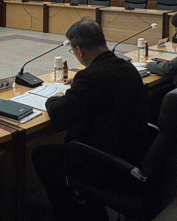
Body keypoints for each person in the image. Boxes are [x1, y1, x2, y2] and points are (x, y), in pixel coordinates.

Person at [32, 19, 149, 221]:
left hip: (108, 164)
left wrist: (54, 98)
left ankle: (69, 214)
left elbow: (60, 115)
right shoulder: (126, 66)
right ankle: (92, 205)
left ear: (79, 50)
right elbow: (104, 89)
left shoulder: (91, 78)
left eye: (73, 51)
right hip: (135, 153)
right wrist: (80, 81)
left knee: (42, 155)